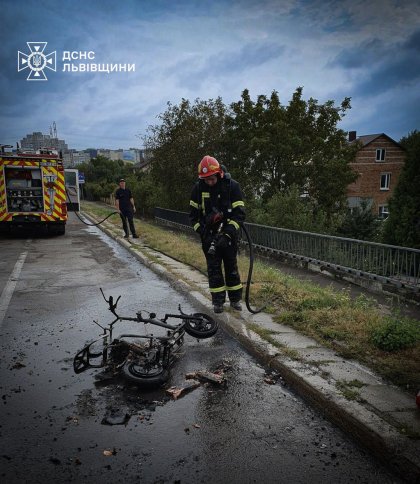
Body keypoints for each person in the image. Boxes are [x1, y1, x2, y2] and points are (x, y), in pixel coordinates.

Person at [189, 155, 245, 313]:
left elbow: (239, 214)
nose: (210, 182)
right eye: (206, 179)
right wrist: (203, 232)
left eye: (212, 179)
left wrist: (227, 234)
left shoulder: (231, 186)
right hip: (209, 236)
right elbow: (193, 217)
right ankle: (218, 302)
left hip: (228, 235)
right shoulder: (198, 188)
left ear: (219, 174)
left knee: (231, 267)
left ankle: (235, 300)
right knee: (213, 270)